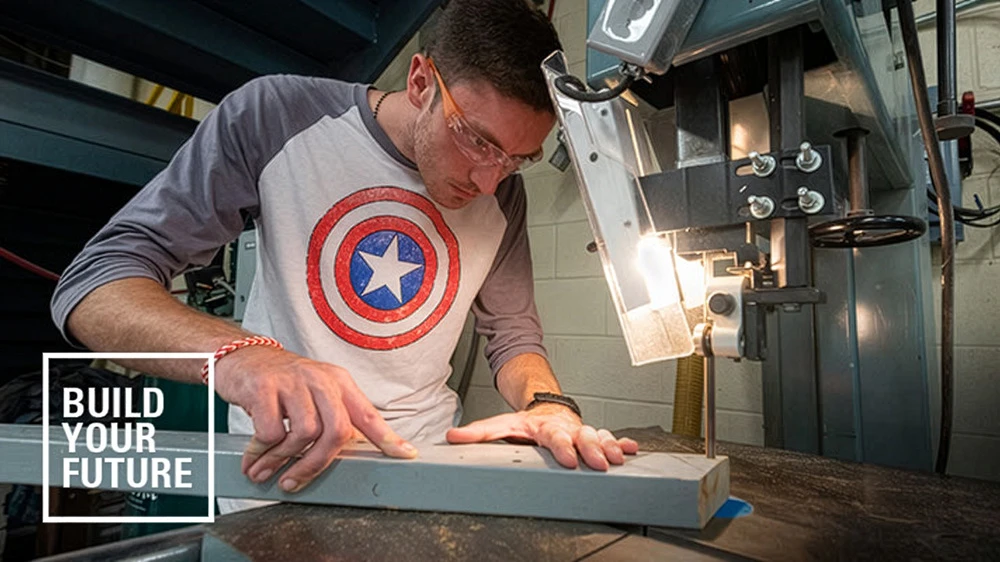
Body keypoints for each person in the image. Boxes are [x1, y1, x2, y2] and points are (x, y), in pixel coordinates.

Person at [51, 0, 639, 504]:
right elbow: (95, 283)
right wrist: (243, 357)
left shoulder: (502, 191)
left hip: (424, 473)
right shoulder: (277, 116)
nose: (490, 182)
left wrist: (549, 405)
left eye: (516, 158)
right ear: (419, 81)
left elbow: (513, 335)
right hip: (282, 474)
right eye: (478, 141)